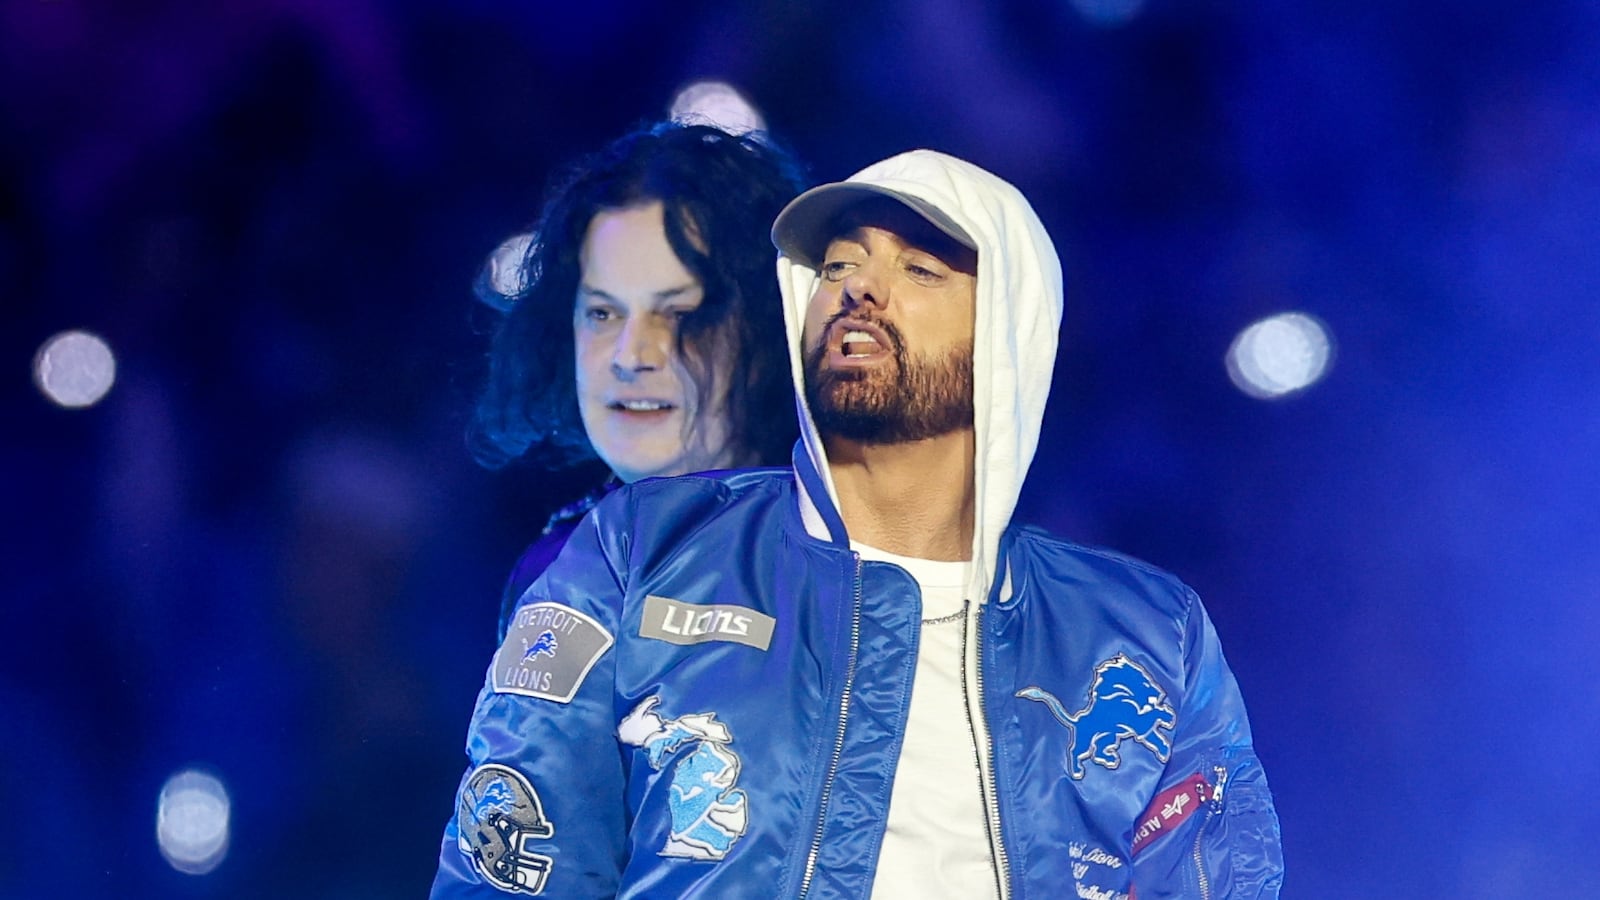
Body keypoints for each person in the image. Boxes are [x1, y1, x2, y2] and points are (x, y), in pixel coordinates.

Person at [432, 150, 1283, 898]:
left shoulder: (1145, 631)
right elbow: (513, 858)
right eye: (838, 267)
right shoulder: (637, 552)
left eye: (920, 271)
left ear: (1010, 335)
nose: (861, 289)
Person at [466, 121, 806, 639]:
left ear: (768, 332)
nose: (630, 355)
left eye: (678, 314)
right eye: (603, 314)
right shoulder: (558, 571)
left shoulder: (844, 565)